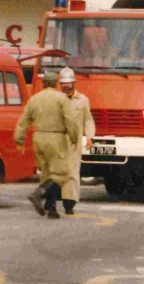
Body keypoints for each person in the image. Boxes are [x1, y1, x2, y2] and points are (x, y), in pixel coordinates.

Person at [14, 69, 79, 218]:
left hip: (38, 138)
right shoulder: (61, 99)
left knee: (47, 174)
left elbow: (23, 122)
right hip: (55, 139)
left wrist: (19, 141)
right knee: (61, 173)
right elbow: (70, 120)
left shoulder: (34, 99)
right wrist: (74, 138)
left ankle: (52, 209)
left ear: (43, 83)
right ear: (55, 83)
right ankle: (38, 193)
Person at [57, 66, 95, 216]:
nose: (66, 86)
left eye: (68, 83)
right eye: (63, 84)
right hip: (58, 142)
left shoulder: (83, 100)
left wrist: (90, 137)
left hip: (75, 144)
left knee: (73, 173)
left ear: (74, 83)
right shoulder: (56, 100)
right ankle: (51, 201)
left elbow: (88, 120)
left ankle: (69, 203)